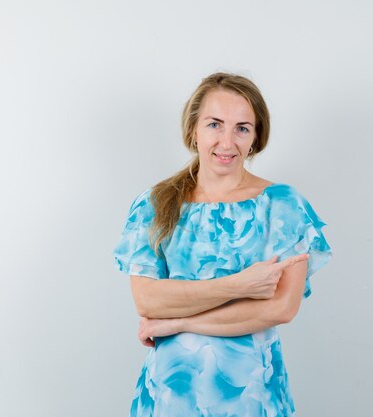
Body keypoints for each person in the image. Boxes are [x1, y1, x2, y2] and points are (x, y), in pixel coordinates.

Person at [112, 72, 333, 417]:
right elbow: (148, 299)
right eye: (215, 124)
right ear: (194, 130)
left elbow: (280, 309)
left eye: (242, 128)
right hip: (171, 394)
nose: (227, 142)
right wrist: (240, 285)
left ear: (256, 137)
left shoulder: (282, 206)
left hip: (252, 395)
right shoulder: (154, 204)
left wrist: (178, 322)